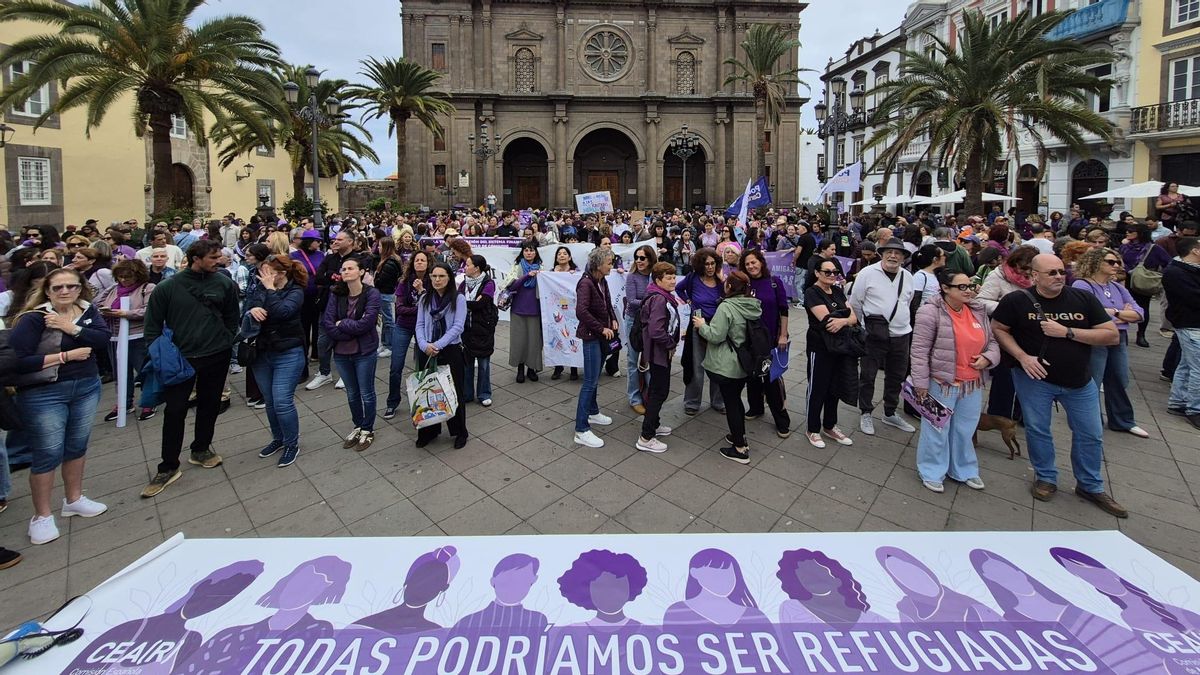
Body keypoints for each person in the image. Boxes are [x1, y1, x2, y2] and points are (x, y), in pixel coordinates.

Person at [991, 253, 1126, 517]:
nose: (1059, 277)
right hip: (1034, 379)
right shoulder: (1017, 301)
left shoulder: (1082, 298)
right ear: (1034, 276)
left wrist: (1067, 331)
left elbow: (1111, 336)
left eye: (1062, 272)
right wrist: (1021, 357)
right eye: (1051, 273)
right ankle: (1046, 477)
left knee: (1091, 433)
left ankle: (1090, 485)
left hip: (1079, 380)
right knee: (1038, 429)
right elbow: (999, 328)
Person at [8, 268, 110, 545]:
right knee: (48, 452)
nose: (65, 292)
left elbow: (101, 340)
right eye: (58, 288)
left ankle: (73, 499)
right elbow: (17, 360)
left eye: (71, 286)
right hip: (45, 393)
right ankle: (41, 516)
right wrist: (65, 356)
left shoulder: (87, 311)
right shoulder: (33, 318)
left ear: (80, 288)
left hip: (86, 386)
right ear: (47, 290)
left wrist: (71, 328)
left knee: (77, 445)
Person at [140, 240, 239, 498]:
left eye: (220, 256)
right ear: (196, 258)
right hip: (180, 359)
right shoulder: (168, 288)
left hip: (216, 354)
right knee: (174, 411)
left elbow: (232, 316)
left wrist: (227, 339)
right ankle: (168, 465)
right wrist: (161, 353)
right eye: (213, 257)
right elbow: (152, 326)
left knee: (209, 404)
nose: (219, 261)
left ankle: (201, 448)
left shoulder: (224, 283)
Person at [910, 269, 999, 493]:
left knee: (964, 429)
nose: (968, 290)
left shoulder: (978, 311)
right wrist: (920, 383)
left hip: (972, 383)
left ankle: (964, 469)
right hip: (941, 382)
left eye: (970, 286)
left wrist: (987, 358)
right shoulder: (929, 313)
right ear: (945, 288)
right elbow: (919, 350)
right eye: (962, 287)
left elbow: (993, 343)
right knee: (936, 428)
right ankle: (931, 470)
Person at [1071, 247, 1149, 439]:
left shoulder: (1117, 287)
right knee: (1093, 380)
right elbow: (1087, 313)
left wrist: (1115, 313)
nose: (1116, 266)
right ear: (1096, 262)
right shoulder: (1083, 285)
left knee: (1119, 378)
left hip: (1119, 337)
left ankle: (1122, 420)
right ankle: (1091, 419)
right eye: (1111, 262)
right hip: (1096, 338)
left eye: (1117, 262)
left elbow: (1139, 313)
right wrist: (1121, 313)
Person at [244, 254, 308, 467]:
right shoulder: (259, 288)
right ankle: (278, 438)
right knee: (270, 401)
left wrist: (270, 290)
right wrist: (251, 309)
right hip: (262, 352)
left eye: (267, 272)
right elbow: (247, 307)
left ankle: (291, 443)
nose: (263, 276)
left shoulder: (295, 291)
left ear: (281, 273)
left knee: (282, 400)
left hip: (288, 352)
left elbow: (283, 312)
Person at [848, 239, 916, 436]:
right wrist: (862, 328)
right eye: (889, 252)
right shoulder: (867, 274)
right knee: (868, 375)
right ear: (882, 254)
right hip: (873, 334)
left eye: (898, 253)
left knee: (897, 375)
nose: (893, 256)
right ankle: (866, 412)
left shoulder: (908, 277)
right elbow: (856, 302)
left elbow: (908, 302)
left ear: (903, 257)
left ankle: (890, 411)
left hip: (901, 334)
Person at [693, 271, 761, 465]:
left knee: (731, 402)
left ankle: (740, 448)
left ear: (729, 287)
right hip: (745, 361)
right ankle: (738, 435)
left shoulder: (726, 307)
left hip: (727, 363)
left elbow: (716, 335)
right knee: (736, 399)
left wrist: (702, 325)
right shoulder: (753, 305)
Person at [323, 257, 382, 453]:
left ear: (361, 272)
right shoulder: (336, 294)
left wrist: (344, 323)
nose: (346, 271)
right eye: (344, 268)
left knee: (366, 392)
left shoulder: (372, 294)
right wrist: (349, 327)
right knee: (351, 393)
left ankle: (368, 429)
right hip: (341, 352)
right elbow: (329, 324)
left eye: (350, 268)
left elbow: (367, 324)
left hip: (364, 351)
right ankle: (358, 425)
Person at [802, 258, 857, 449]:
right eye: (827, 272)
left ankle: (830, 425)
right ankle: (812, 428)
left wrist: (843, 321)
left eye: (834, 272)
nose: (832, 275)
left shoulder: (838, 291)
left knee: (835, 387)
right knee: (818, 387)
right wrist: (845, 318)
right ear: (817, 273)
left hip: (840, 346)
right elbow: (827, 321)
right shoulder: (812, 292)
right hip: (820, 347)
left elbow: (853, 316)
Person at [415, 262, 470, 449]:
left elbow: (458, 327)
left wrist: (438, 345)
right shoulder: (425, 299)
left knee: (454, 393)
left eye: (441, 276)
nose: (437, 280)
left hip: (450, 350)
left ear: (449, 278)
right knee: (428, 392)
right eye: (434, 276)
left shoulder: (458, 298)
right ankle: (428, 431)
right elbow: (420, 324)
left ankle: (459, 431)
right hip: (427, 350)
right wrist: (424, 345)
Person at [94, 258, 156, 422]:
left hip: (138, 336)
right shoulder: (112, 290)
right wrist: (106, 312)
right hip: (114, 336)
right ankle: (124, 402)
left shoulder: (147, 288)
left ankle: (149, 401)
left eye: (127, 277)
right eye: (120, 276)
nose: (123, 280)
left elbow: (149, 310)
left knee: (144, 370)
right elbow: (96, 305)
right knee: (120, 373)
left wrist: (125, 314)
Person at [740, 249, 792, 437]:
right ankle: (755, 407)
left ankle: (781, 419)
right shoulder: (744, 284)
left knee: (771, 380)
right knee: (752, 376)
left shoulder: (774, 283)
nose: (751, 266)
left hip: (771, 339)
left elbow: (784, 310)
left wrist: (783, 335)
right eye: (747, 264)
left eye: (753, 262)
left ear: (761, 262)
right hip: (750, 339)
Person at [573, 248, 619, 448]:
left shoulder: (602, 281)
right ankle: (581, 429)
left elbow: (608, 304)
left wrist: (614, 319)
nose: (612, 266)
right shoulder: (585, 283)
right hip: (592, 336)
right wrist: (601, 328)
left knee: (595, 377)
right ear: (598, 265)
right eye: (609, 262)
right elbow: (581, 311)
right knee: (590, 382)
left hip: (601, 335)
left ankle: (592, 412)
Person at [635, 262, 681, 454]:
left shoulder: (659, 295)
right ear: (658, 280)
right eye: (668, 278)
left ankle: (654, 424)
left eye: (673, 276)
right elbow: (656, 330)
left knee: (656, 388)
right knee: (659, 392)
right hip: (659, 353)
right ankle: (646, 437)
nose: (673, 281)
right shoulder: (660, 299)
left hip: (657, 352)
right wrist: (670, 344)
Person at [305, 230, 360, 390]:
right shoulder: (329, 258)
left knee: (347, 339)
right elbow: (318, 278)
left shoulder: (359, 258)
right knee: (322, 341)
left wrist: (336, 277)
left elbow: (358, 279)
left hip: (349, 304)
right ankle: (324, 373)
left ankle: (346, 374)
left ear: (350, 242)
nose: (335, 241)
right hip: (328, 303)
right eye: (335, 239)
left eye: (339, 239)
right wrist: (335, 276)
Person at [677, 248, 726, 416]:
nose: (710, 267)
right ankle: (692, 402)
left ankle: (718, 401)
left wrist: (723, 280)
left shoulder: (722, 282)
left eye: (713, 263)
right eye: (706, 264)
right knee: (696, 366)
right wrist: (689, 302)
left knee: (718, 367)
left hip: (719, 327)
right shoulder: (693, 278)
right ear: (700, 265)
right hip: (698, 326)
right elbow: (679, 288)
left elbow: (732, 297)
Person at [383, 250, 430, 419]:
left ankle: (424, 399)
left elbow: (432, 307)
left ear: (428, 263)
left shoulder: (433, 280)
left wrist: (422, 290)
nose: (419, 262)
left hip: (424, 328)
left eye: (422, 260)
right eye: (416, 260)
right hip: (403, 326)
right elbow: (399, 308)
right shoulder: (404, 282)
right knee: (396, 366)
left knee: (423, 365)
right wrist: (418, 310)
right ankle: (392, 402)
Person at [1164, 236, 1200, 427]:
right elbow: (1193, 298)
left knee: (1187, 364)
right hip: (1190, 324)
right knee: (1198, 369)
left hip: (1192, 324)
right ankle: (1195, 408)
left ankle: (1178, 402)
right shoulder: (1176, 272)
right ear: (1195, 250)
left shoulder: (1191, 270)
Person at [1119, 223, 1171, 348]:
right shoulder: (1125, 247)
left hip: (1142, 281)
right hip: (1125, 279)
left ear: (1140, 233)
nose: (1127, 233)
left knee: (1143, 307)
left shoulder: (1153, 248)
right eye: (1127, 230)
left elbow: (1168, 263)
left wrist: (1156, 275)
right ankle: (1122, 333)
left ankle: (1141, 334)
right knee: (1122, 307)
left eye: (1131, 231)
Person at [623, 245, 657, 413]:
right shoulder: (632, 277)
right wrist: (651, 301)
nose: (638, 260)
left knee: (650, 359)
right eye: (637, 257)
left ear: (650, 259)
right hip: (634, 321)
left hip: (651, 321)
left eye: (642, 258)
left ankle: (649, 395)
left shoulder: (655, 276)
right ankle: (634, 398)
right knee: (633, 360)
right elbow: (631, 300)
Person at [459, 254, 496, 407]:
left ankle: (484, 393)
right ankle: (467, 393)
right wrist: (471, 302)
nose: (465, 267)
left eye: (468, 265)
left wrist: (467, 303)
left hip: (483, 327)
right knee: (467, 362)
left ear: (477, 268)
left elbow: (481, 304)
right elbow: (460, 301)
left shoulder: (489, 283)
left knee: (483, 363)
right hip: (466, 327)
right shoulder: (463, 283)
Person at [505, 242, 544, 383]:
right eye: (526, 250)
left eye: (532, 250)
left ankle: (531, 368)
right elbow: (511, 286)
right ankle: (520, 368)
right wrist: (527, 276)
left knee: (534, 341)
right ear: (522, 252)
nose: (529, 253)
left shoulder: (542, 267)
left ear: (536, 252)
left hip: (536, 309)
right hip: (518, 309)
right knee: (519, 341)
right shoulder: (517, 267)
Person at [549, 246, 580, 381]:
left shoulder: (575, 272)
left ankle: (574, 367)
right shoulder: (550, 273)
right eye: (559, 254)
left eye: (565, 253)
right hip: (556, 309)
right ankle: (558, 366)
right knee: (557, 335)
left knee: (572, 336)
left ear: (570, 257)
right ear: (556, 258)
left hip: (572, 310)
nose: (562, 256)